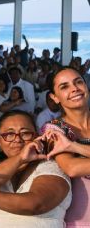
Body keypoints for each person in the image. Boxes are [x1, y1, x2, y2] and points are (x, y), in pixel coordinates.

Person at [0, 110, 71, 227]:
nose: (17, 139)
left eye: (25, 133)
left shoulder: (52, 165)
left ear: (37, 136)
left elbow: (36, 204)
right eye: (9, 134)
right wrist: (20, 158)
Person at [41, 67, 90, 227]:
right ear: (54, 97)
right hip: (81, 222)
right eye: (64, 86)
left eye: (78, 82)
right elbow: (72, 168)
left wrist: (73, 146)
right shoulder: (53, 128)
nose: (75, 88)